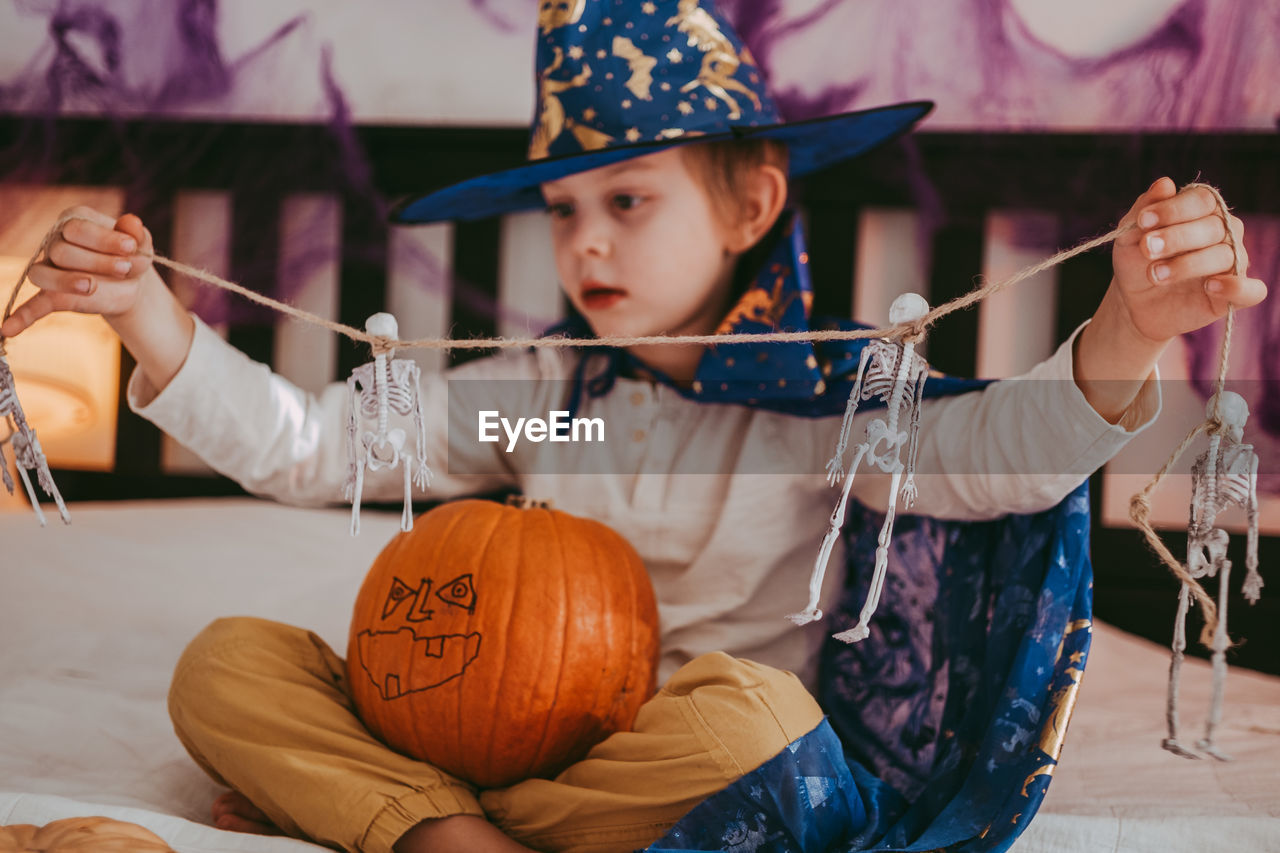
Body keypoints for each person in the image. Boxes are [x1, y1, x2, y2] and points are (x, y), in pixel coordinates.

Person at [0, 2, 1266, 852]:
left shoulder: (831, 409)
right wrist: (146, 315)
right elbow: (317, 444)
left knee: (759, 726)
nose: (585, 240)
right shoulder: (549, 392)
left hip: (674, 762)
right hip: (481, 733)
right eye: (560, 211)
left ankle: (420, 825)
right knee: (225, 663)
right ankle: (457, 828)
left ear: (750, 203)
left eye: (627, 199)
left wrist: (1132, 327)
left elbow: (1003, 458)